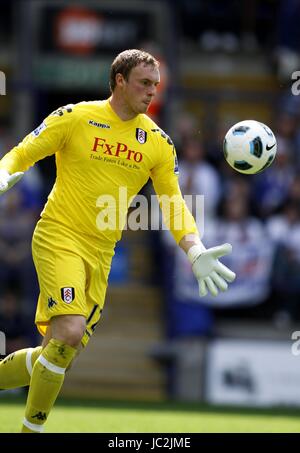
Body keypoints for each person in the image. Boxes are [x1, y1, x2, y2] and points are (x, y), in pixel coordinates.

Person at [0, 49, 235, 433]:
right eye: (144, 84)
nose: (151, 93)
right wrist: (4, 173)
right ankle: (30, 431)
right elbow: (23, 153)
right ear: (120, 81)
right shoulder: (76, 117)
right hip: (59, 234)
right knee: (70, 331)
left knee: (58, 353)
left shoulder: (157, 143)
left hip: (102, 252)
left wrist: (195, 249)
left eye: (156, 86)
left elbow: (173, 204)